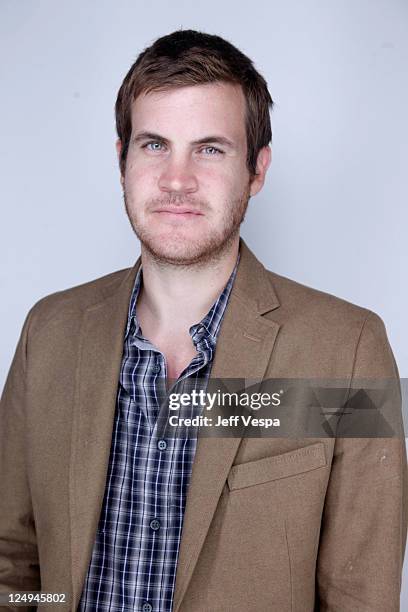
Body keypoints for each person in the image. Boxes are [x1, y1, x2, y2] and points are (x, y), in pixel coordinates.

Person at [0, 29, 406, 612]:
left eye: (210, 149)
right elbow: (15, 562)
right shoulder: (50, 331)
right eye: (155, 145)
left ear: (257, 170)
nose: (176, 180)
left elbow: (361, 596)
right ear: (122, 158)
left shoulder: (351, 349)